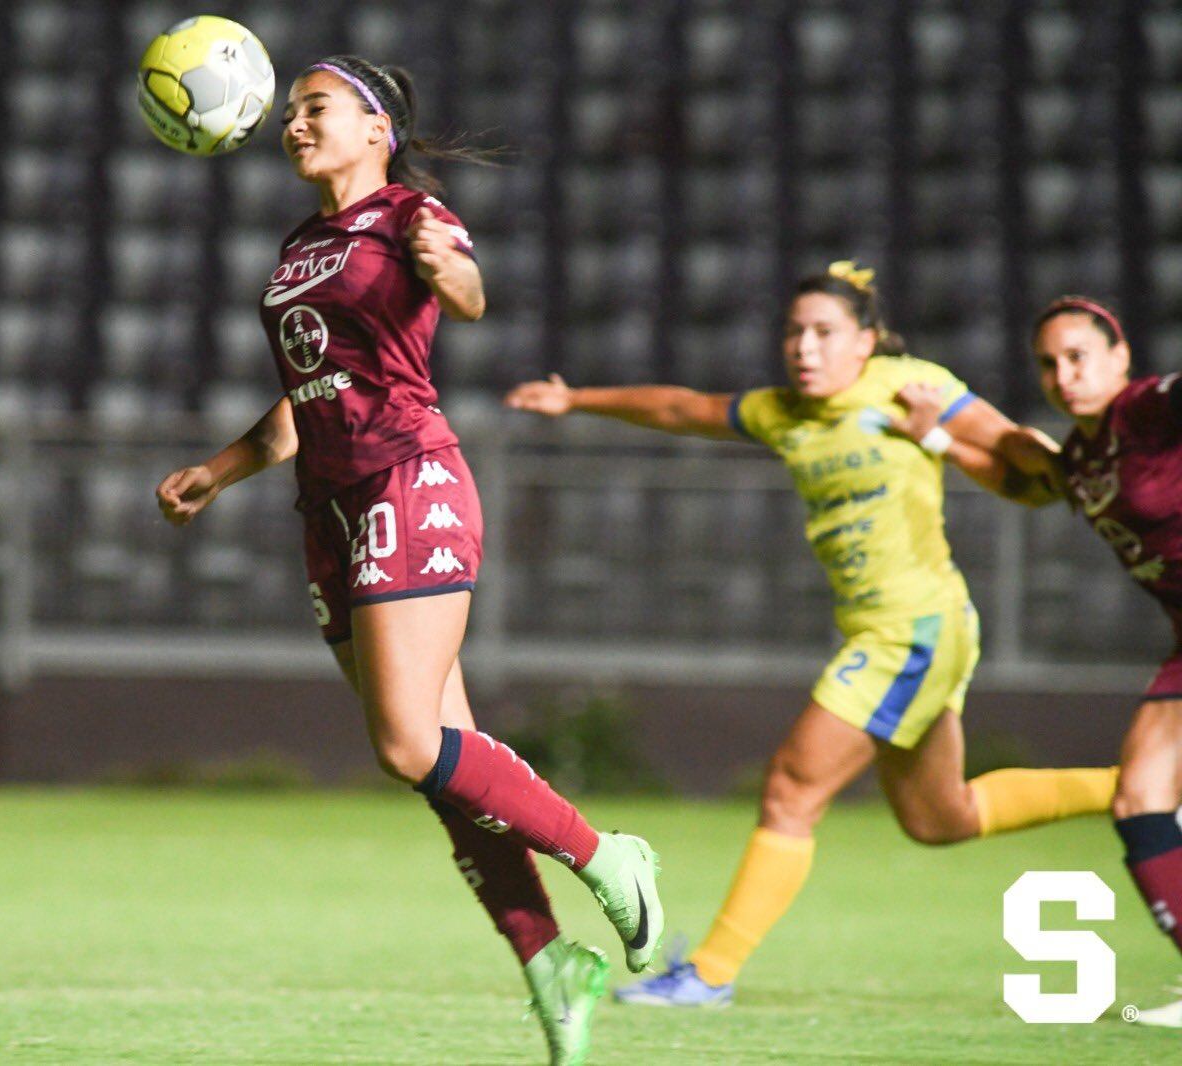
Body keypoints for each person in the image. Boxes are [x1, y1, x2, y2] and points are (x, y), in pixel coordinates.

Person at [154, 55, 661, 1063]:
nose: (294, 125)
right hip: (327, 509)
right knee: (439, 761)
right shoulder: (300, 245)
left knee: (404, 741)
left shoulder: (408, 213)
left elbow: (468, 294)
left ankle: (608, 856)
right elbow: (310, 393)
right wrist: (221, 467)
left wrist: (444, 269)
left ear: (376, 124)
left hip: (407, 481)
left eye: (315, 109)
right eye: (291, 112)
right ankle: (547, 960)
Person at [504, 262, 1118, 1008]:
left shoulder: (912, 384)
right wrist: (576, 399)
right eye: (794, 333)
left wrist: (944, 439)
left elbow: (1032, 471)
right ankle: (1140, 791)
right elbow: (680, 408)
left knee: (792, 789)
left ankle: (709, 975)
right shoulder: (782, 410)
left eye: (825, 333)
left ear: (866, 344)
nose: (805, 348)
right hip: (896, 628)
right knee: (938, 817)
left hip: (913, 628)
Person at [889, 295, 1182, 1027]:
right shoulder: (1084, 455)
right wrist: (938, 441)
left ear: (1121, 358)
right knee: (1140, 798)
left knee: (1145, 795)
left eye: (1079, 356)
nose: (1064, 374)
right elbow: (1030, 469)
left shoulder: (1148, 410)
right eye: (1049, 364)